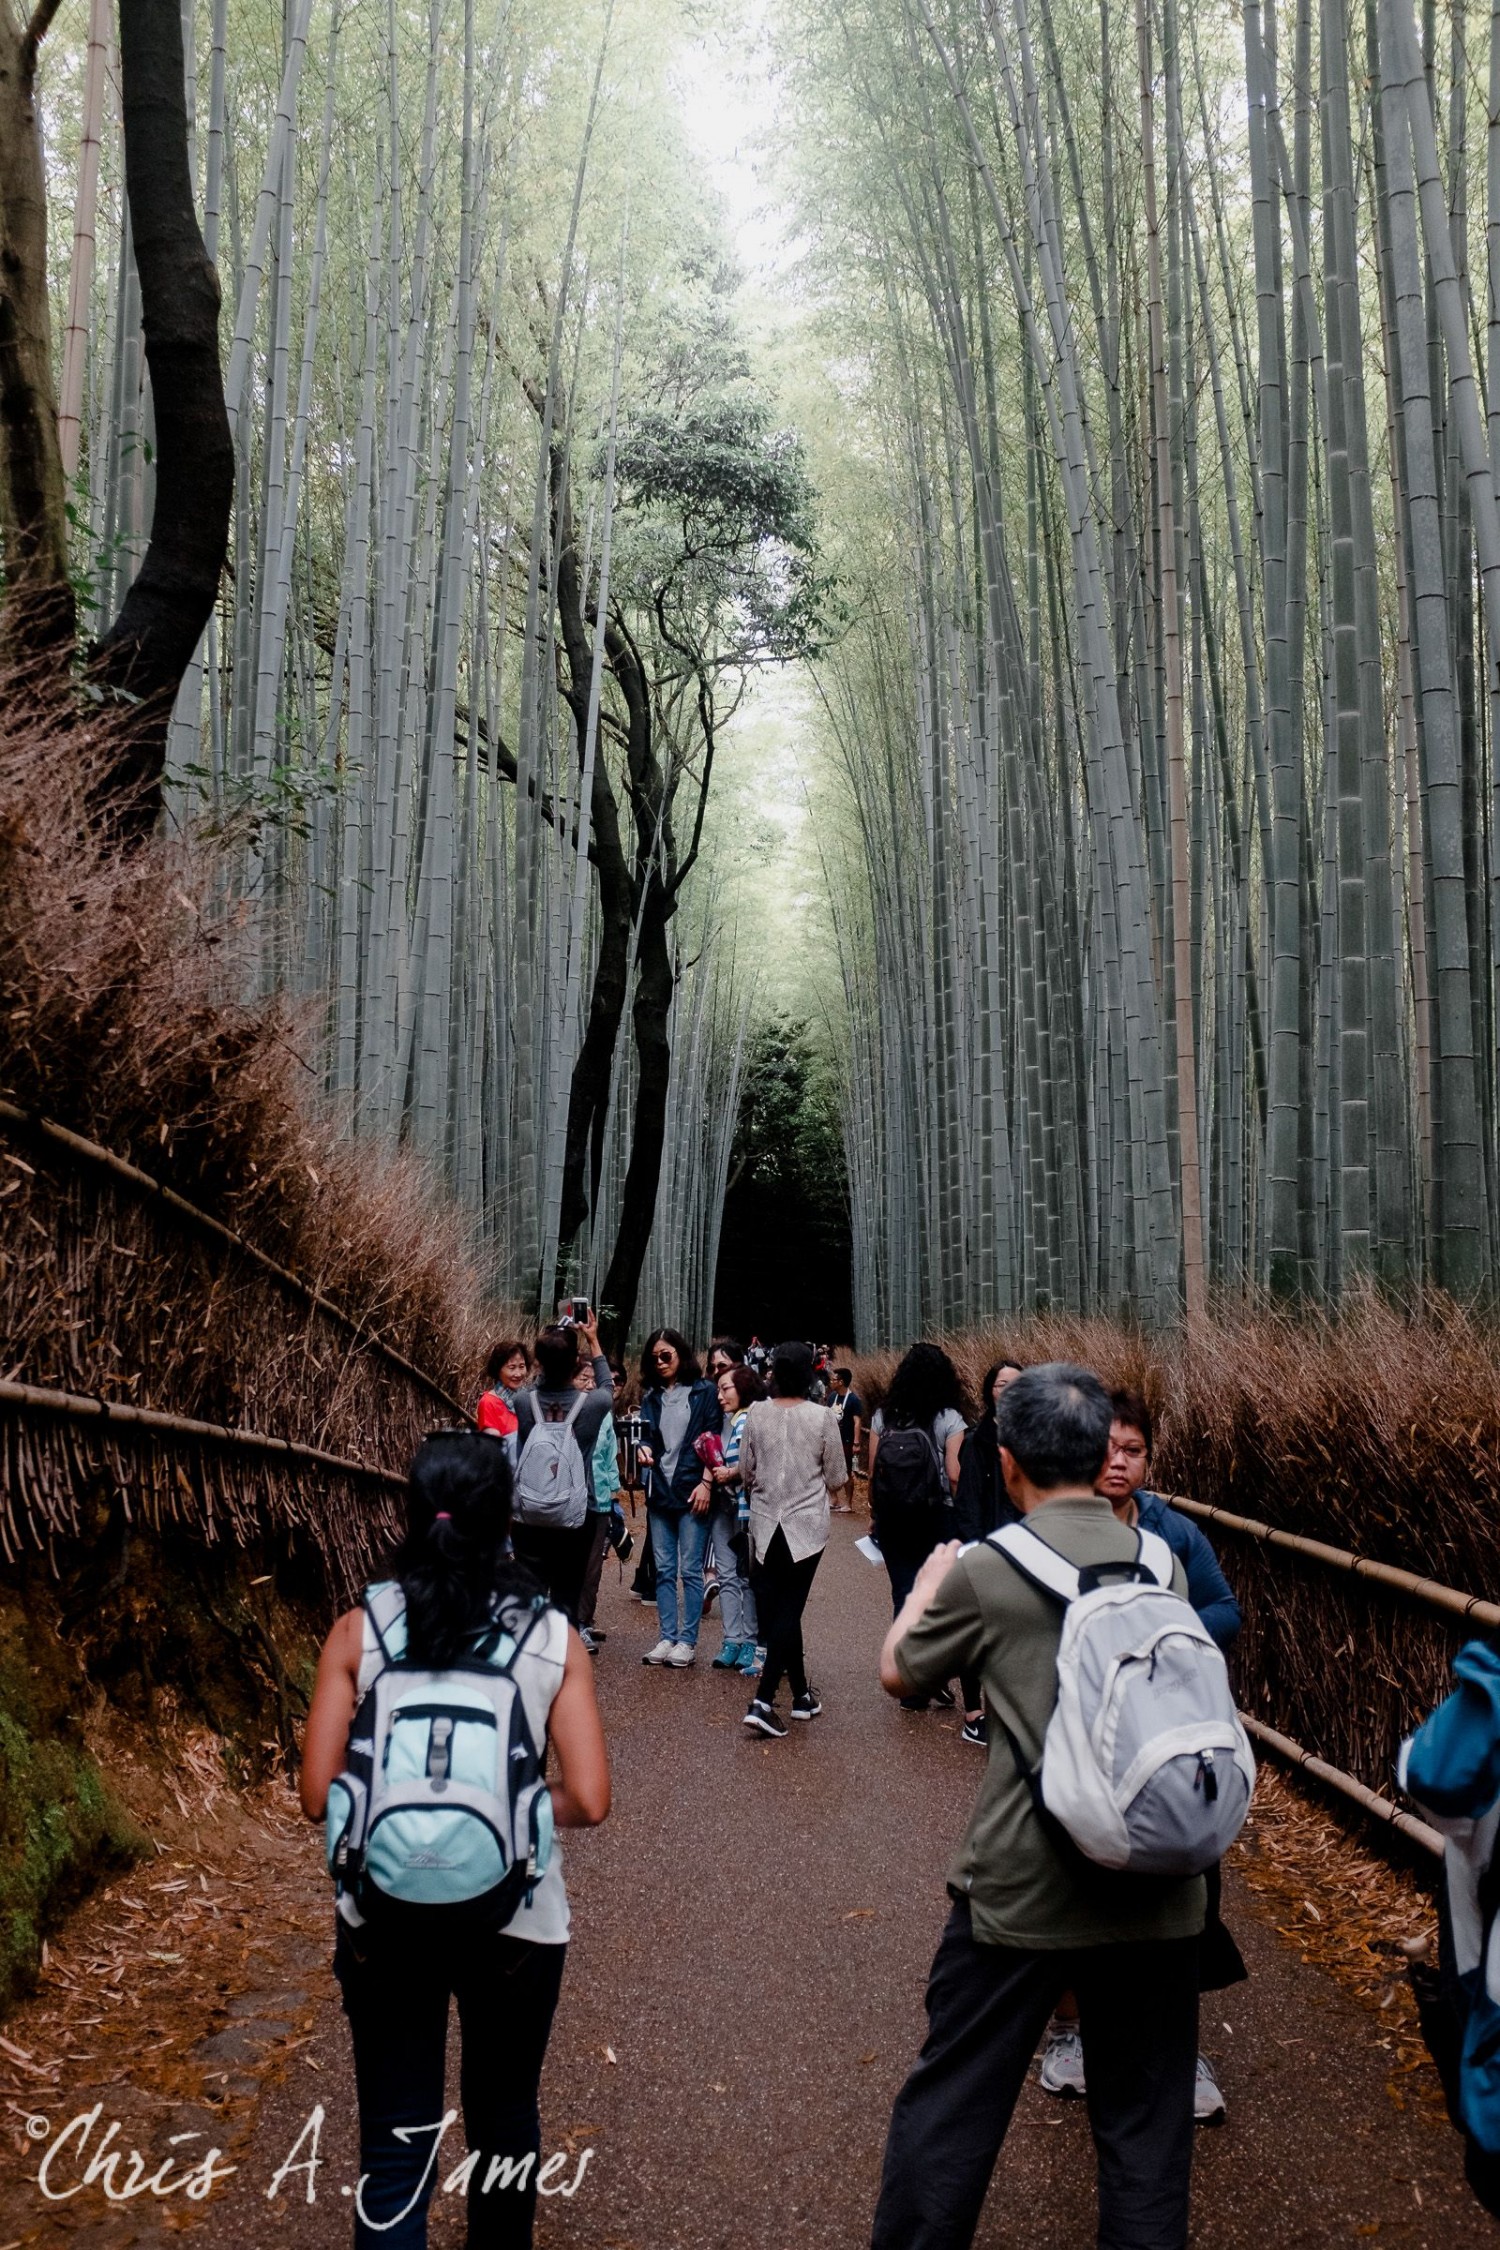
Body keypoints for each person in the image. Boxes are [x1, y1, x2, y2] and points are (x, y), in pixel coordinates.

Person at [869, 1364, 1204, 2250]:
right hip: (1157, 1881)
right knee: (1144, 2133)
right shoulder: (1162, 1559)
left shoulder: (990, 1565)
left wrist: (920, 1594)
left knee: (954, 2108)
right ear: (1103, 1456)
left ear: (1007, 1462)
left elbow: (901, 1675)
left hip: (1023, 1884)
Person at [298, 1429, 610, 2250]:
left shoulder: (358, 1630)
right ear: (505, 1517)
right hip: (517, 1918)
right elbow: (590, 1794)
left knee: (395, 2143)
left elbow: (314, 1793)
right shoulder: (548, 1635)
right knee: (504, 2122)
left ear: (408, 1513)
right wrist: (515, 1809)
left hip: (382, 1913)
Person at [1032, 1386, 1244, 2122]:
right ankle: (1069, 2035)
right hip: (1083, 1733)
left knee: (1184, 1885)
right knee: (1073, 1880)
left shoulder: (1173, 1534)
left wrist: (1154, 1631)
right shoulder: (1050, 1529)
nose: (1118, 1463)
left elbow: (1225, 1609)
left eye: (1133, 1450)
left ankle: (1177, 2047)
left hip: (1168, 1732)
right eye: (1106, 1449)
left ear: (1149, 1458)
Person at [738, 1340, 848, 1738]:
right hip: (806, 1527)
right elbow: (837, 1477)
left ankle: (801, 1695)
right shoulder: (822, 1418)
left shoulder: (756, 1412)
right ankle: (763, 1701)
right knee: (789, 1610)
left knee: (784, 1610)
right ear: (810, 1375)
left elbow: (745, 1471)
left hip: (766, 1523)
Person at [868, 1343, 969, 1711]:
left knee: (904, 1596)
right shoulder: (949, 1417)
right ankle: (932, 1674)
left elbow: (875, 1466)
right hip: (935, 1517)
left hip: (894, 1519)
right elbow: (955, 1475)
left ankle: (909, 1684)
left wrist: (875, 1513)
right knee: (938, 1600)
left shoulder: (883, 1415)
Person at [510, 1318, 614, 1622]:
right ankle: (560, 1662)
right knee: (567, 1597)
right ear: (575, 1364)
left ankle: (528, 1662)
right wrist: (593, 1340)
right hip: (576, 1518)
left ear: (539, 1363)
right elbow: (607, 1385)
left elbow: (536, 1385)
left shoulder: (522, 1401)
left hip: (530, 1515)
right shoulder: (593, 1404)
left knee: (529, 1597)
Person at [637, 1328, 720, 1666]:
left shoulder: (704, 1392)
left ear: (681, 1354)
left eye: (666, 1355)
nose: (660, 1362)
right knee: (664, 1568)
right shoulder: (650, 1397)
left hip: (692, 1488)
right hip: (660, 1488)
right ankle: (666, 1637)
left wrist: (707, 1482)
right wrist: (642, 1447)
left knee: (690, 1568)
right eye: (654, 1357)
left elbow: (712, 1438)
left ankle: (688, 1640)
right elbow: (645, 1434)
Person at [952, 1360, 1024, 1747]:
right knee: (979, 1629)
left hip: (1025, 1545)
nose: (1008, 1390)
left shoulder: (1035, 1436)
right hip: (987, 1542)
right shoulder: (978, 1438)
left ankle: (1011, 1709)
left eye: (1016, 1383)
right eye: (1001, 1384)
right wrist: (974, 1544)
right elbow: (967, 1498)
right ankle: (974, 1711)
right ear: (989, 1391)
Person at [693, 1360, 765, 1673]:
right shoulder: (720, 1418)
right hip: (724, 1507)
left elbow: (757, 1464)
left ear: (744, 1387)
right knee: (727, 1574)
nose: (720, 1395)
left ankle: (749, 1640)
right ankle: (731, 1639)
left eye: (726, 1388)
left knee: (746, 1574)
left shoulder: (755, 1418)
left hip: (747, 1509)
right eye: (718, 1388)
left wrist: (731, 1473)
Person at [575, 1359, 626, 1656]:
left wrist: (614, 1499)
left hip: (599, 1499)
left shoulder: (603, 1413)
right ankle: (564, 1623)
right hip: (567, 1499)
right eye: (583, 1377)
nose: (591, 1384)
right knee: (568, 1566)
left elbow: (609, 1459)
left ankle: (583, 1621)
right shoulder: (560, 1409)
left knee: (592, 1566)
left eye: (594, 1379)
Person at [476, 1339, 531, 1439]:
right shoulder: (488, 1402)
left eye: (522, 1366)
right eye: (512, 1367)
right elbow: (494, 1446)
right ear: (498, 1369)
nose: (518, 1374)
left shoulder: (528, 1398)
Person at [827, 1366, 864, 1505]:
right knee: (829, 1469)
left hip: (847, 1440)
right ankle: (834, 1498)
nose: (831, 1382)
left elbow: (857, 1422)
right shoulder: (832, 1397)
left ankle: (848, 1502)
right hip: (832, 1439)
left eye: (834, 1379)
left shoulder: (854, 1400)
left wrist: (856, 1442)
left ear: (841, 1382)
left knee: (848, 1470)